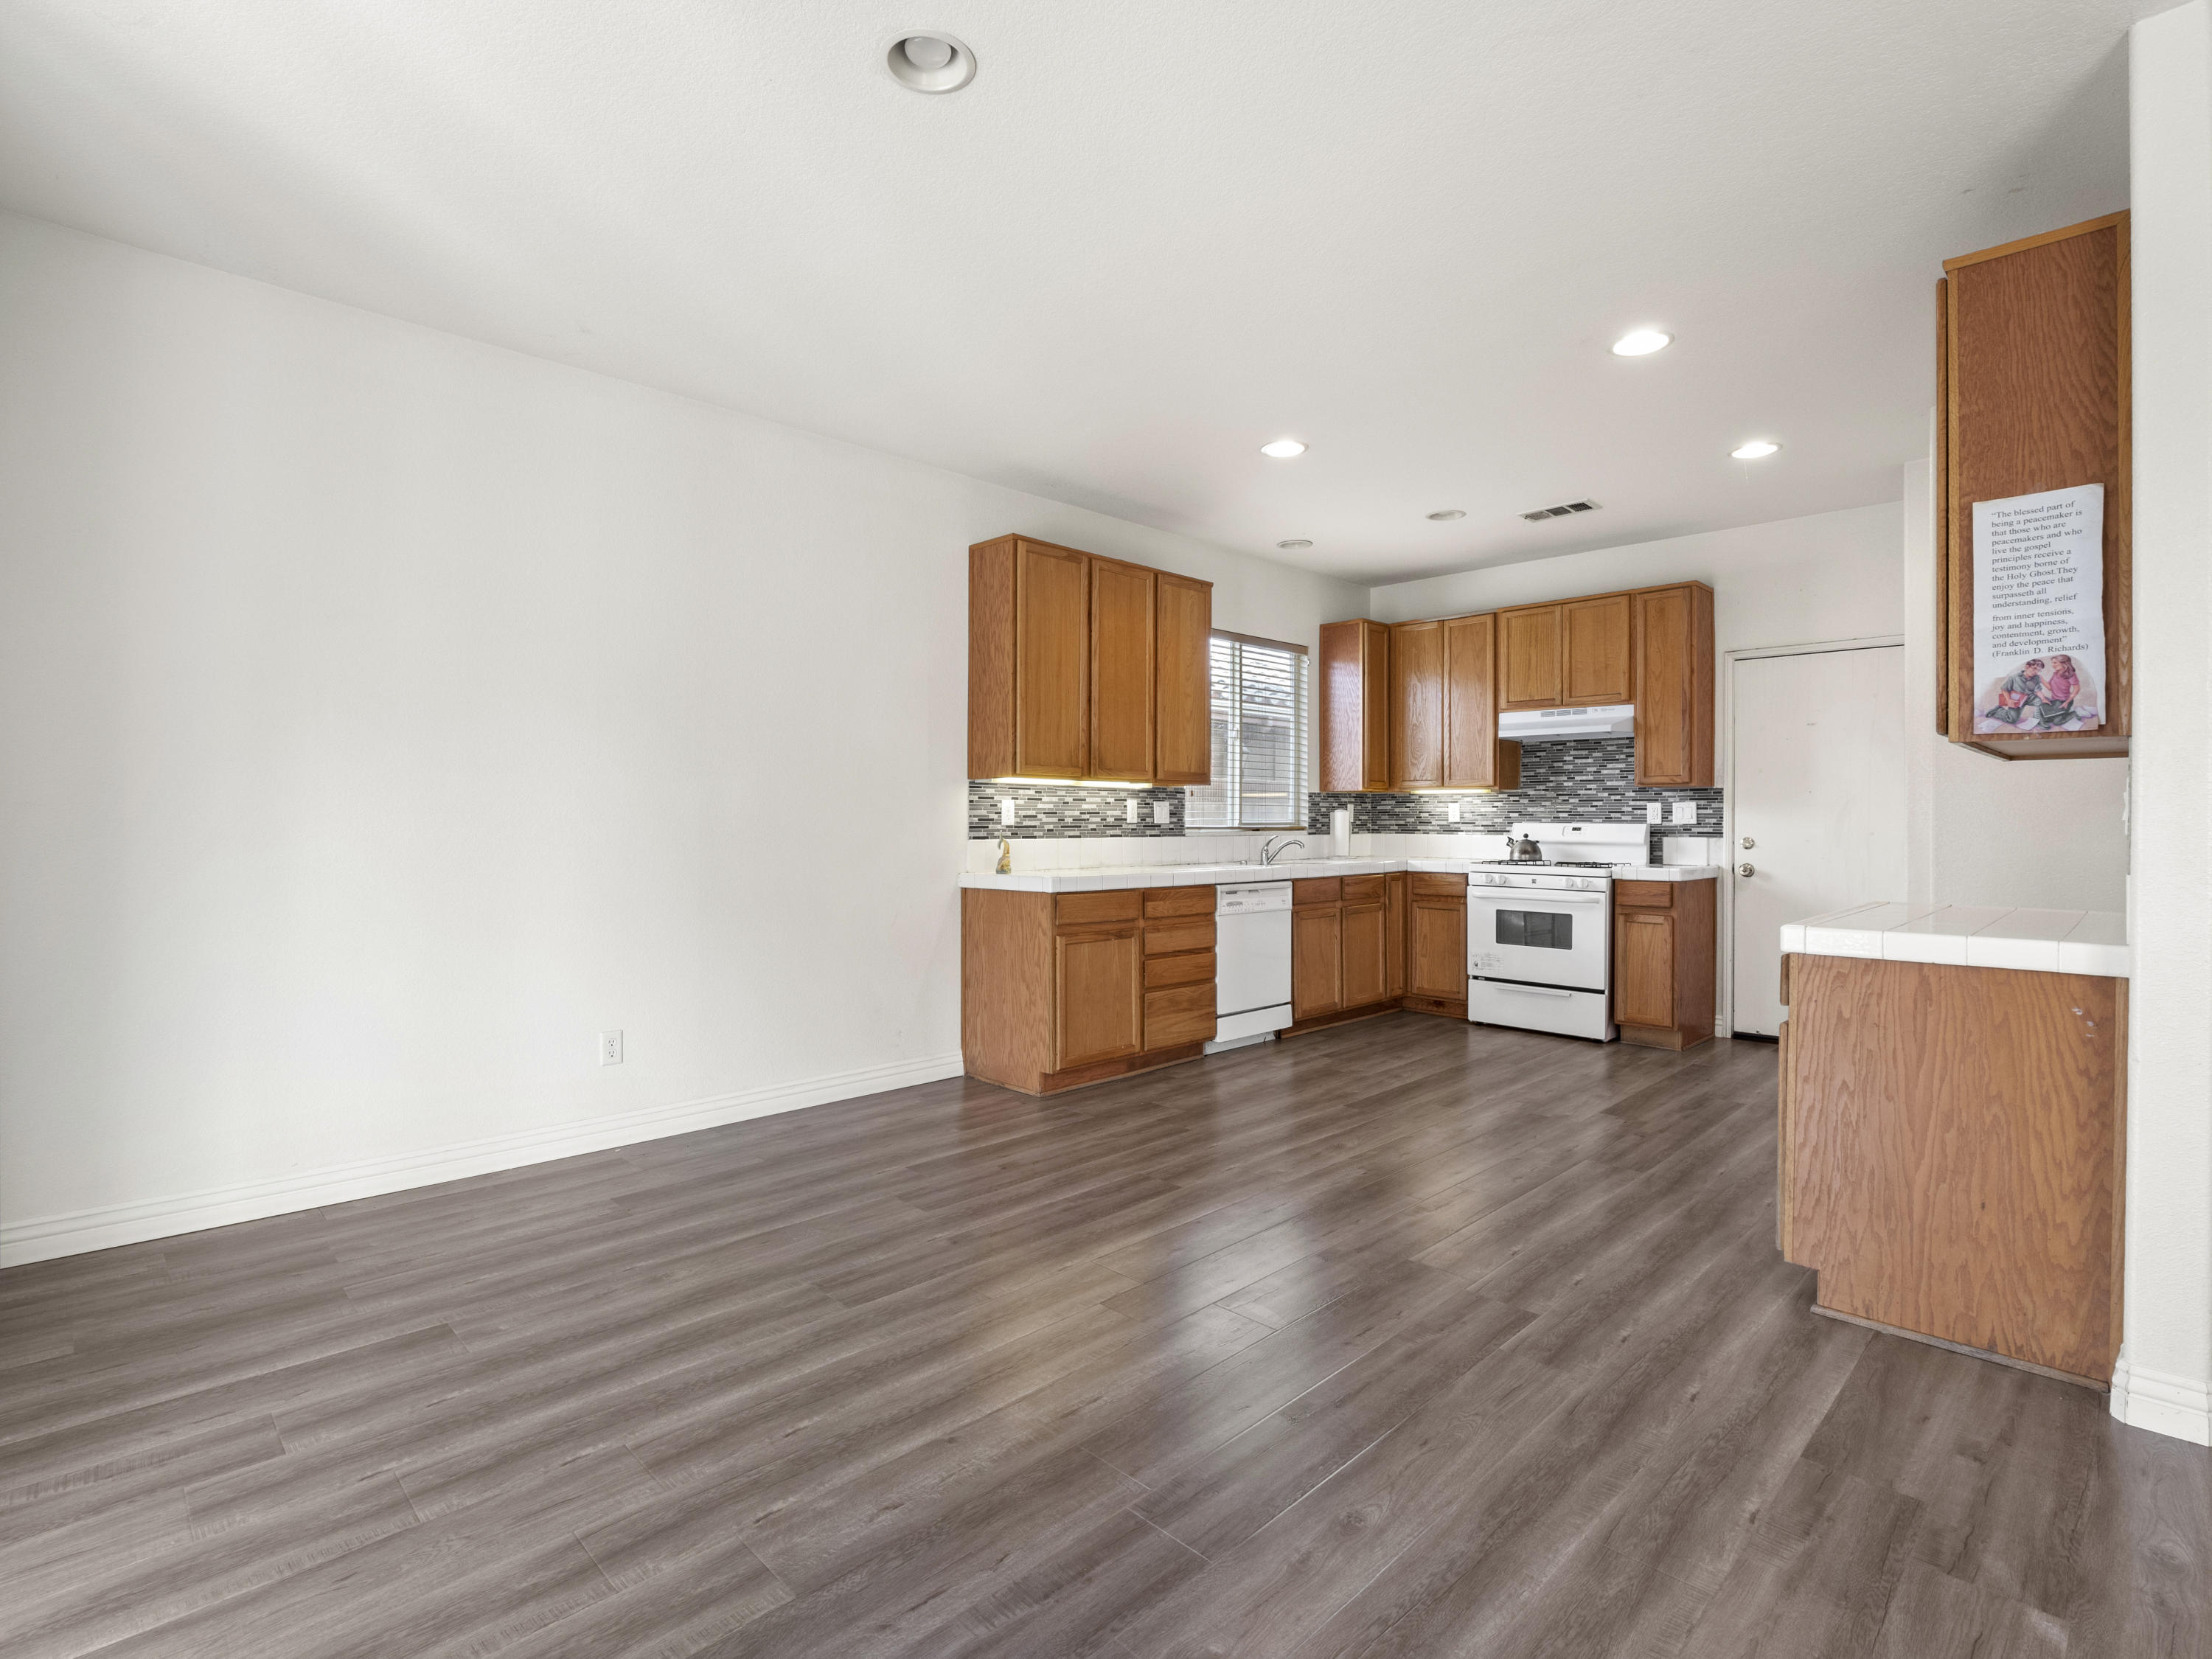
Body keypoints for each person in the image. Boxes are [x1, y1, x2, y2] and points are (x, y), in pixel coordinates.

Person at [1985, 658, 2045, 726]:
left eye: (2039, 670)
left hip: (2030, 697)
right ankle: (1998, 711)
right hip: (2017, 700)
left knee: (2041, 702)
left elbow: (2038, 690)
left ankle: (2038, 720)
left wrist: (2043, 699)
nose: (2036, 672)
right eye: (2034, 669)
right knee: (2012, 720)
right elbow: (2004, 689)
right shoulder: (2014, 677)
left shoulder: (2036, 678)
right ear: (2027, 667)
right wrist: (2009, 700)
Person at [2039, 654, 2083, 727]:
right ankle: (2061, 714)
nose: (2052, 665)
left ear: (2064, 663)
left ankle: (2073, 714)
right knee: (2046, 719)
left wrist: (2067, 702)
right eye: (2052, 663)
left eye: (2055, 663)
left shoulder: (2071, 675)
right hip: (2055, 702)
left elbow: (2077, 689)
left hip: (2065, 702)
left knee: (2057, 722)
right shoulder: (2055, 674)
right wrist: (2042, 680)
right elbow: (2050, 688)